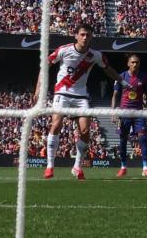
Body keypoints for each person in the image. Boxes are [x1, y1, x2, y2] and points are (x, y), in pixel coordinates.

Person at [36, 24, 124, 180]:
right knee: (56, 124)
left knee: (85, 131)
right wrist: (38, 89)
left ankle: (77, 167)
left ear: (91, 37)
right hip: (62, 92)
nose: (85, 37)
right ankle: (50, 166)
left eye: (88, 35)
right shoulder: (64, 50)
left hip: (81, 96)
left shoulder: (96, 55)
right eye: (82, 34)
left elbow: (107, 68)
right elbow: (45, 65)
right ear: (76, 35)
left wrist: (121, 81)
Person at [111, 53, 147, 177]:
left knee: (143, 138)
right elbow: (115, 95)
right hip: (124, 113)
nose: (135, 64)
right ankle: (123, 166)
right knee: (123, 140)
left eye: (137, 62)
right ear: (128, 63)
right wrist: (113, 112)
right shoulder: (121, 77)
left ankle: (145, 167)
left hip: (139, 112)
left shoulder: (144, 77)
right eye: (133, 62)